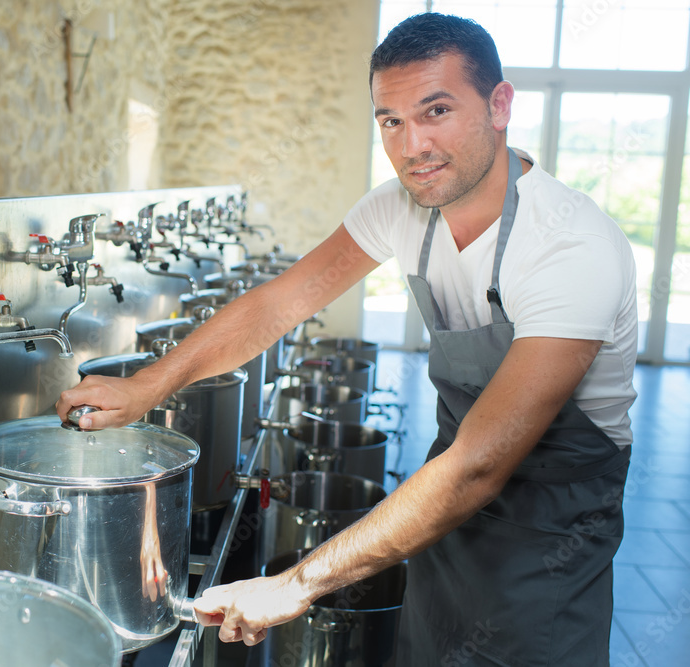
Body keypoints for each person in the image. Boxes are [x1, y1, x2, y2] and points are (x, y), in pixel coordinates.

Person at [57, 12, 637, 666]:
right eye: (390, 121)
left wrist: (295, 583)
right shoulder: (403, 206)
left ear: (499, 106)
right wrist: (147, 386)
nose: (413, 145)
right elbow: (278, 304)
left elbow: (479, 464)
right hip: (441, 518)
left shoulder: (570, 246)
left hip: (549, 536)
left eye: (436, 111)